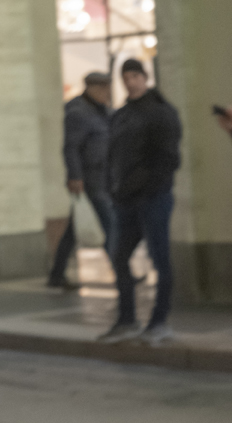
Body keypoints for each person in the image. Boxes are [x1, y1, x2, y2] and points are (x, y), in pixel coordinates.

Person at [99, 59, 183, 345]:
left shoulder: (161, 112)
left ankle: (159, 322)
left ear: (145, 77)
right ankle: (126, 320)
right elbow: (113, 155)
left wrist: (147, 186)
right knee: (119, 255)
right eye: (126, 76)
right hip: (125, 200)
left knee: (159, 258)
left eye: (135, 75)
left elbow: (169, 159)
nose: (130, 81)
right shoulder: (121, 115)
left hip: (153, 198)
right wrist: (113, 188)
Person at [49, 72, 115, 290]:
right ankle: (122, 272)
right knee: (109, 224)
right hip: (89, 178)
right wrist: (75, 176)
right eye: (103, 88)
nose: (107, 93)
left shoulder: (104, 110)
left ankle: (56, 274)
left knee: (73, 229)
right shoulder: (78, 112)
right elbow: (71, 147)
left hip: (104, 176)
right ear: (91, 88)